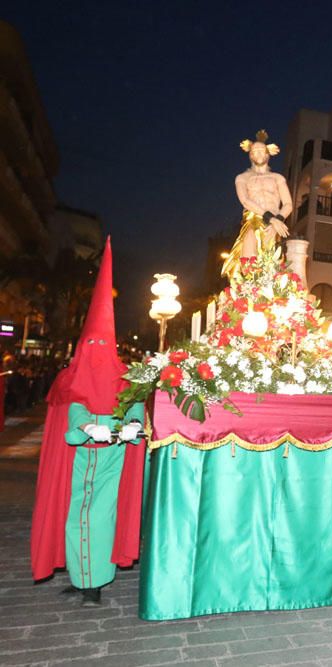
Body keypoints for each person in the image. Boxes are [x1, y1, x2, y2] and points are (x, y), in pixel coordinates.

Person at [30, 239, 146, 607]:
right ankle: (81, 578)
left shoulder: (125, 376)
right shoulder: (70, 377)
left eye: (102, 343)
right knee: (74, 516)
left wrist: (131, 426)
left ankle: (95, 581)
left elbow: (134, 406)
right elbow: (70, 407)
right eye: (90, 342)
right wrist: (83, 428)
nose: (96, 350)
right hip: (78, 461)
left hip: (112, 460)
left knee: (99, 518)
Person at [223, 130, 291, 279]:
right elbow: (245, 200)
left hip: (274, 223)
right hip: (254, 218)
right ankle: (247, 291)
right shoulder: (243, 177)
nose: (259, 154)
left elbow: (288, 204)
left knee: (269, 260)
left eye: (262, 150)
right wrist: (271, 218)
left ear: (268, 154)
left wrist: (276, 221)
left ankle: (263, 293)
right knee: (250, 247)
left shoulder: (277, 178)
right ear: (250, 155)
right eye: (255, 151)